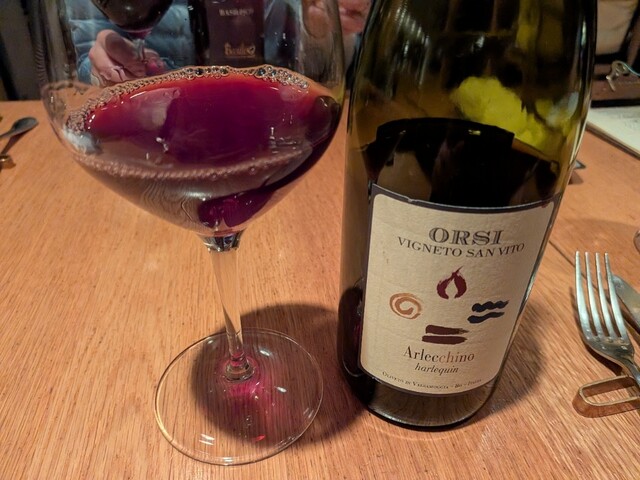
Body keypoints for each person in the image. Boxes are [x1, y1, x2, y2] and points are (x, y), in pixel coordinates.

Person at [69, 0, 371, 86]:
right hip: (149, 140)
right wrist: (103, 72)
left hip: (264, 137)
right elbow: (82, 62)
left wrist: (323, 33)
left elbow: (315, 79)